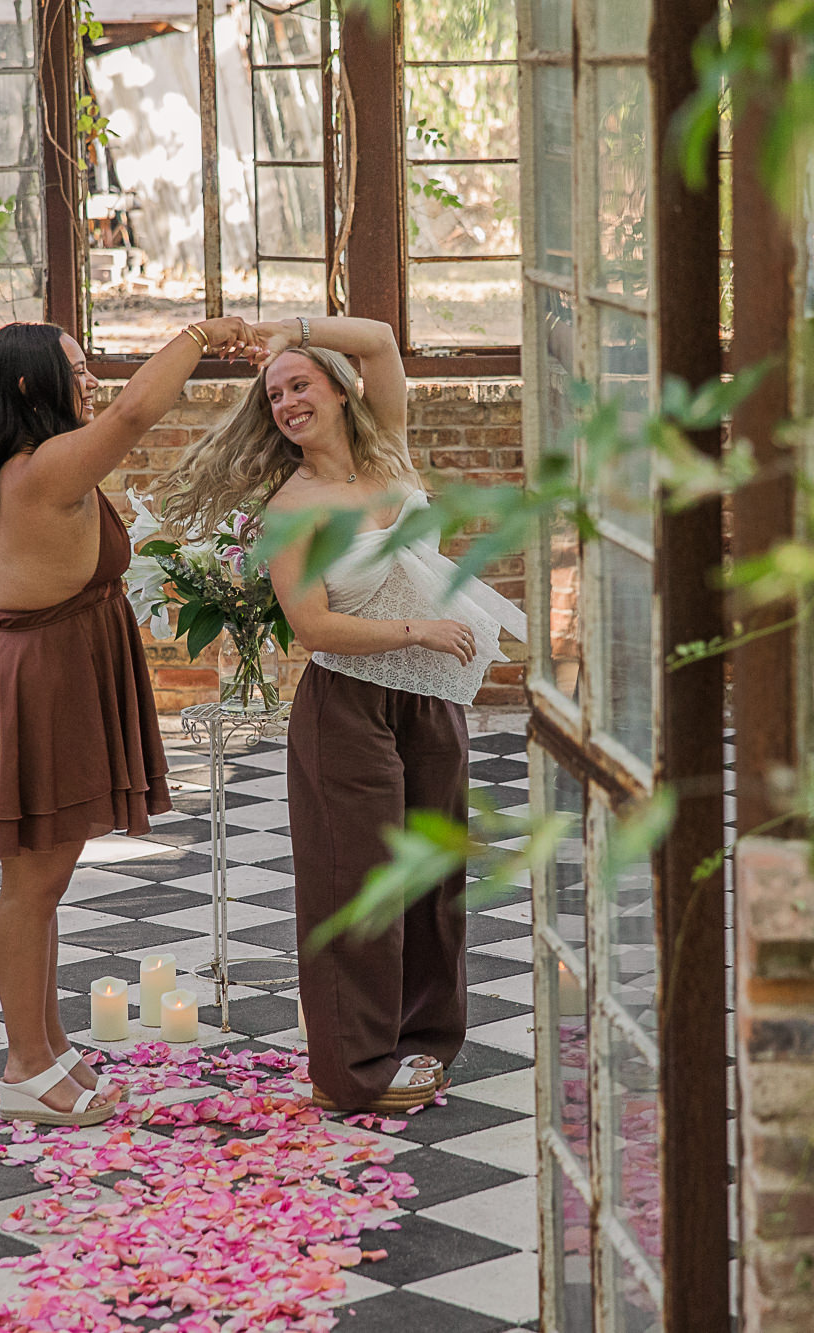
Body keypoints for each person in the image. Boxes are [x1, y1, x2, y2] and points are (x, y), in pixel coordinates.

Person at [157, 316, 524, 1111]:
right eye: (275, 393)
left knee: (434, 877)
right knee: (357, 886)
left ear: (336, 384)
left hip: (431, 700)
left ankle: (424, 1044)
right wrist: (417, 628)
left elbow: (385, 340)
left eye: (300, 383)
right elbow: (313, 626)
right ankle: (353, 1070)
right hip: (347, 706)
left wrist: (281, 329)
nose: (288, 401)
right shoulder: (290, 507)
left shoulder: (387, 446)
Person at [0, 316, 254, 1125]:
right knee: (33, 886)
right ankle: (23, 1065)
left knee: (41, 884)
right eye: (75, 370)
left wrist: (28, 630)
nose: (90, 382)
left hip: (30, 670)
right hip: (46, 682)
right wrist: (202, 332)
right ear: (26, 385)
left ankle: (47, 1047)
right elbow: (136, 415)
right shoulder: (46, 466)